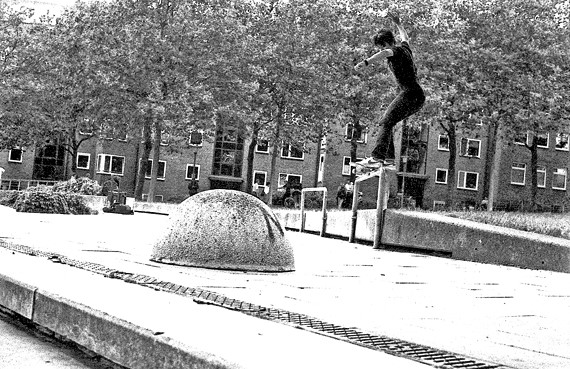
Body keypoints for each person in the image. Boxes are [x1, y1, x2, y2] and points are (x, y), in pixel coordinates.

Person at [354, 12, 425, 166]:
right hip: (416, 96)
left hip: (410, 94)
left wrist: (365, 62)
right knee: (389, 121)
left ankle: (378, 157)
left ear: (386, 44)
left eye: (380, 47)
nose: (382, 52)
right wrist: (398, 23)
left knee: (385, 121)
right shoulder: (405, 48)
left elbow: (387, 52)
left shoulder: (396, 51)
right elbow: (405, 36)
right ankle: (389, 158)